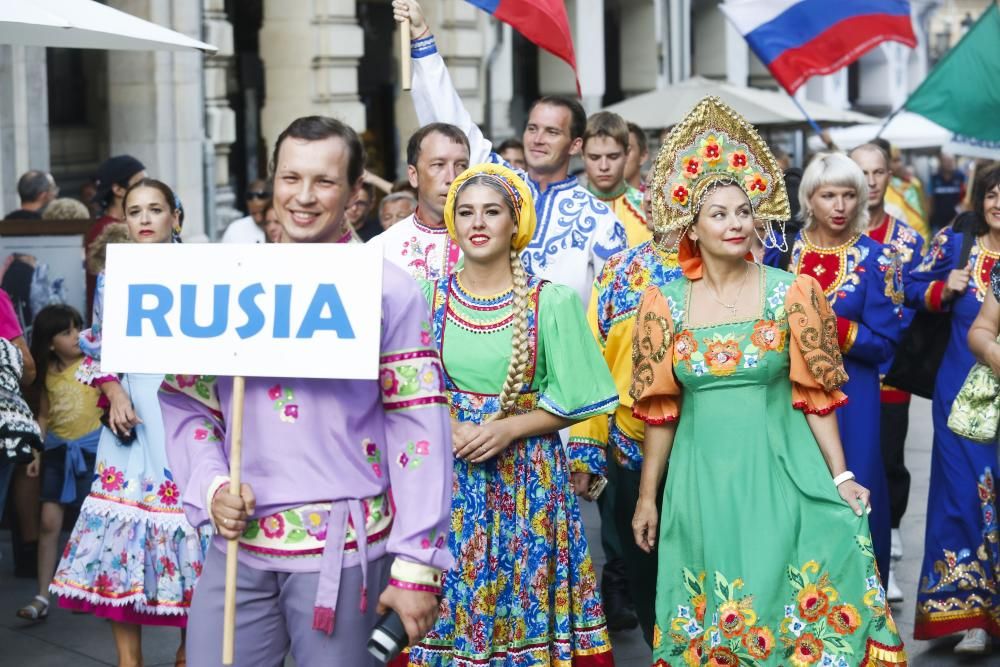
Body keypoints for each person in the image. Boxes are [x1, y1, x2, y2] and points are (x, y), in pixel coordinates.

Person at [159, 115, 453, 666]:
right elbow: (189, 401)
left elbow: (419, 429)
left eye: (324, 181)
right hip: (236, 545)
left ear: (353, 194)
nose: (304, 196)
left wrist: (416, 562)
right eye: (291, 178)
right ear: (273, 182)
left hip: (343, 555)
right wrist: (212, 484)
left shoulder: (388, 289)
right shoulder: (227, 284)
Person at [631, 96, 907, 667]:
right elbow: (660, 410)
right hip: (700, 482)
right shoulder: (663, 304)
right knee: (714, 615)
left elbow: (817, 395)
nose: (735, 223)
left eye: (742, 211)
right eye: (718, 213)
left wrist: (842, 475)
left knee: (785, 602)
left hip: (781, 469)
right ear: (691, 225)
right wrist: (646, 498)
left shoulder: (792, 292)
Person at [403, 162, 617, 666]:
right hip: (446, 486)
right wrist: (446, 424)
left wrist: (510, 428)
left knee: (523, 608)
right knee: (446, 609)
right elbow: (402, 388)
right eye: (467, 212)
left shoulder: (551, 301)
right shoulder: (426, 296)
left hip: (529, 487)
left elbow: (580, 394)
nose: (478, 222)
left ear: (513, 223)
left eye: (492, 211)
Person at [49, 178, 206, 667]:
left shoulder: (203, 274)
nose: (143, 219)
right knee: (123, 538)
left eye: (154, 209)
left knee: (195, 536)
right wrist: (113, 389)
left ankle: (187, 651)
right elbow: (103, 349)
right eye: (133, 210)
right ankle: (128, 662)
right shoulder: (115, 277)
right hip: (129, 419)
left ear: (175, 218)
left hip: (185, 410)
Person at [395, 0, 626, 305]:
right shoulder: (500, 183)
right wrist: (422, 36)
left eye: (552, 132)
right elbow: (452, 122)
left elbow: (615, 313)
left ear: (575, 145)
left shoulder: (600, 220)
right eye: (532, 128)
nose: (538, 139)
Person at [766, 153, 904, 585]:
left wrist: (830, 325)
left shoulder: (882, 260)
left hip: (854, 397)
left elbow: (886, 345)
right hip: (786, 397)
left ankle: (866, 605)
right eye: (829, 195)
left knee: (857, 495)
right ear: (810, 197)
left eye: (849, 194)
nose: (839, 206)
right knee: (791, 500)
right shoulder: (781, 254)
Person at [569, 185, 681, 642]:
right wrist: (586, 447)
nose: (667, 206)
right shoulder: (619, 271)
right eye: (660, 194)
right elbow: (592, 362)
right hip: (630, 445)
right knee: (642, 571)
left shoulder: (720, 268)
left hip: (706, 444)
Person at [908, 163, 1000, 654]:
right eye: (991, 194)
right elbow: (907, 288)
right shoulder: (955, 243)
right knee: (964, 494)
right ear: (978, 199)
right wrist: (944, 290)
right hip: (959, 394)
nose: (998, 203)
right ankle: (970, 614)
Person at [849, 143, 925, 604]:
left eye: (879, 172)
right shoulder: (824, 236)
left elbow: (910, 307)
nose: (871, 181)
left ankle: (889, 548)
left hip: (890, 372)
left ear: (890, 176)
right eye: (863, 172)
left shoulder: (906, 239)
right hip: (838, 374)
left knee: (888, 461)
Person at [16, 305, 101, 622]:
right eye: (66, 332)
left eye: (78, 327)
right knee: (49, 522)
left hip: (93, 453)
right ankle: (42, 594)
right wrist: (35, 453)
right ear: (50, 342)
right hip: (57, 454)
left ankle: (94, 589)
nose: (76, 335)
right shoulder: (47, 373)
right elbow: (44, 416)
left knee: (93, 525)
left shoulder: (94, 365)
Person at [368, 123, 469, 280]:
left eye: (461, 165)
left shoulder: (489, 243)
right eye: (438, 165)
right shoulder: (381, 250)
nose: (452, 178)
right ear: (413, 175)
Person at [85, 155, 147, 320]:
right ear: (118, 190)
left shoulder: (126, 225)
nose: (146, 188)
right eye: (139, 183)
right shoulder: (106, 230)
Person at [583, 111, 650, 248]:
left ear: (626, 153)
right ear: (582, 155)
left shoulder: (649, 210)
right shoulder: (566, 212)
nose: (604, 166)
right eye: (594, 157)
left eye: (613, 157)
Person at [220, 179, 271, 243]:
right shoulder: (235, 230)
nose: (255, 201)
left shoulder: (281, 227)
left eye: (261, 196)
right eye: (249, 197)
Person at [929, 153, 967, 233]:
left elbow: (965, 198)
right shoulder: (934, 178)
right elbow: (930, 200)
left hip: (957, 222)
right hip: (938, 223)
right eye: (946, 161)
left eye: (951, 161)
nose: (949, 163)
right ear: (941, 162)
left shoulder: (961, 177)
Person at [623, 122, 649, 191]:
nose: (620, 157)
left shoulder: (655, 198)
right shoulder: (595, 199)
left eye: (627, 150)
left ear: (643, 156)